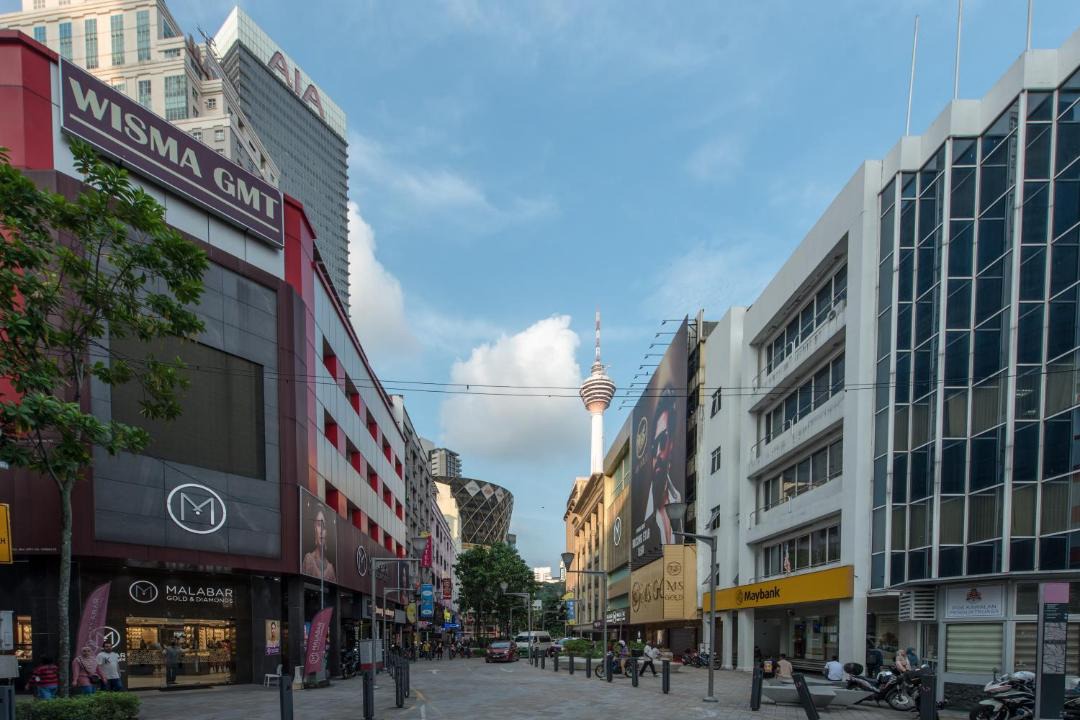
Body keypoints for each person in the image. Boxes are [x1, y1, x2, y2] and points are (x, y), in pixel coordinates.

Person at [301, 509, 337, 582]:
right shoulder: (308, 559)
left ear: (327, 532)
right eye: (319, 525)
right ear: (314, 529)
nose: (321, 531)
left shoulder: (331, 569)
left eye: (324, 527)